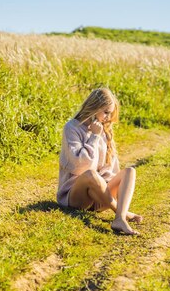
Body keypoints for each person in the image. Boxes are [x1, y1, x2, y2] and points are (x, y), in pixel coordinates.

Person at [57, 87, 142, 235]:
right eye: (106, 112)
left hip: (99, 196)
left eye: (111, 113)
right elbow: (79, 167)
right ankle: (122, 214)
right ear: (94, 107)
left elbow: (110, 168)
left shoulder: (104, 129)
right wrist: (94, 136)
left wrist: (105, 185)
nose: (108, 118)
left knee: (130, 171)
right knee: (90, 174)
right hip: (77, 197)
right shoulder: (71, 127)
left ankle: (119, 217)